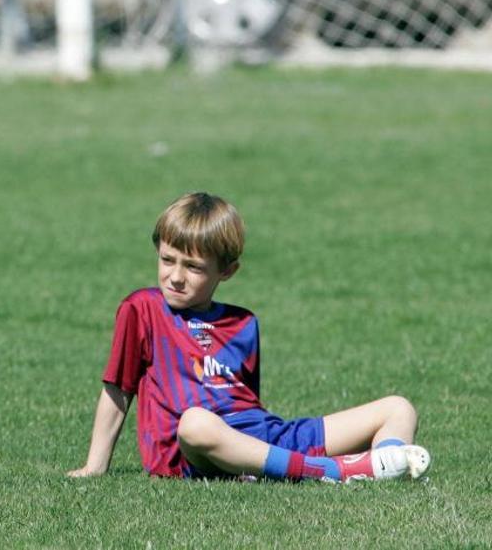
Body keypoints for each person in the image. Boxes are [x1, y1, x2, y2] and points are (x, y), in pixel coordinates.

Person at [67, 192, 431, 482]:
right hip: (190, 451)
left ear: (227, 271)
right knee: (195, 422)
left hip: (258, 438)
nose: (175, 276)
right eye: (167, 259)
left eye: (193, 267)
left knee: (398, 407)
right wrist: (95, 465)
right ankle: (336, 471)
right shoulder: (141, 309)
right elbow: (118, 388)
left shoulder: (243, 322)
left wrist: (249, 457)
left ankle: (385, 469)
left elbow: (247, 406)